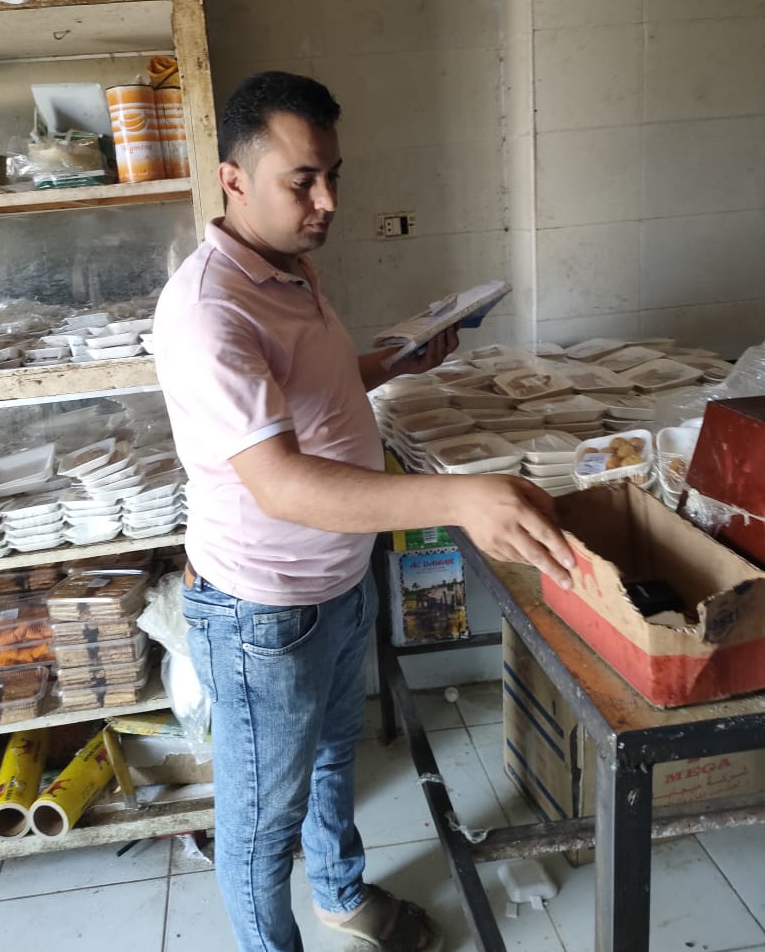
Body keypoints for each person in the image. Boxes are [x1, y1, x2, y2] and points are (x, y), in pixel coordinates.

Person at [154, 70, 574, 952]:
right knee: (261, 823)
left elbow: (305, 392)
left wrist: (391, 362)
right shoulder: (209, 311)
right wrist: (459, 495)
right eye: (302, 181)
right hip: (264, 611)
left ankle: (342, 898)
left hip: (337, 580)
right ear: (233, 180)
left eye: (333, 175)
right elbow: (281, 483)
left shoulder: (285, 269)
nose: (328, 202)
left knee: (332, 761)